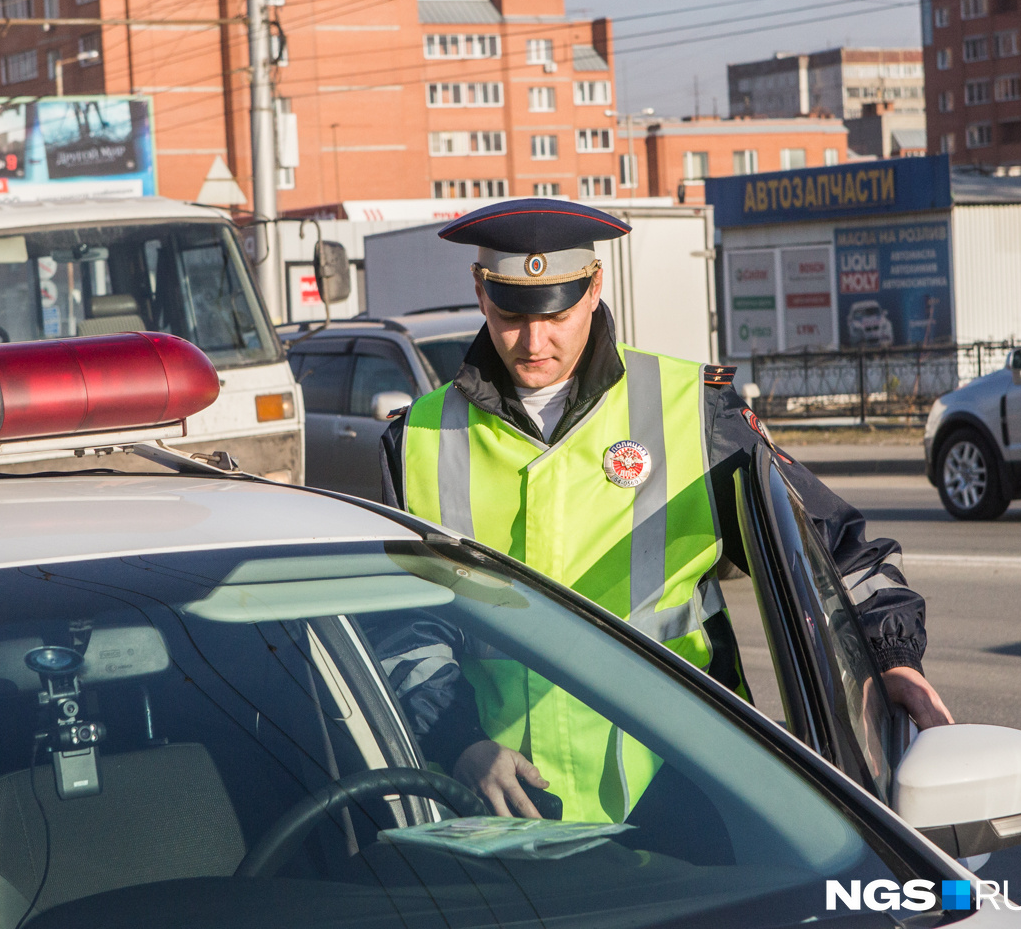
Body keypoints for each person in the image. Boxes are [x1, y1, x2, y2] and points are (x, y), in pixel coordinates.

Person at [373, 197, 951, 823]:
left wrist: (891, 658)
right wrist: (460, 744)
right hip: (501, 808)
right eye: (511, 314)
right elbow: (401, 625)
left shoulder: (692, 409)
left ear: (594, 288)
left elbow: (832, 551)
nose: (534, 339)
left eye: (557, 312)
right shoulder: (417, 441)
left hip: (686, 791)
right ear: (480, 291)